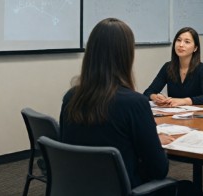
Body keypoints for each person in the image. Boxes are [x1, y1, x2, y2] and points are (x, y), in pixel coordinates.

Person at [60, 18, 174, 188]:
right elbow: (158, 170)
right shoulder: (135, 103)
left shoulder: (72, 97)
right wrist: (154, 144)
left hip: (77, 188)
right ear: (126, 55)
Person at [144, 27, 203, 107]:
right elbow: (148, 92)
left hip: (196, 116)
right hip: (173, 115)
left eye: (187, 42)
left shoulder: (201, 68)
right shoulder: (168, 67)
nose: (181, 45)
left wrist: (184, 101)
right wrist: (155, 97)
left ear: (195, 48)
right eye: (178, 40)